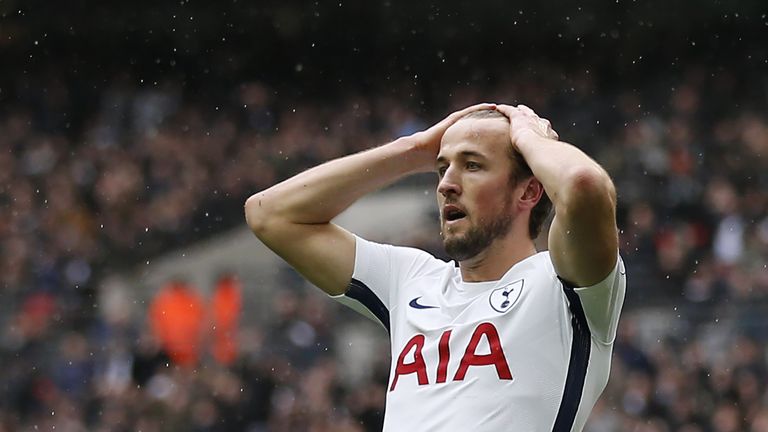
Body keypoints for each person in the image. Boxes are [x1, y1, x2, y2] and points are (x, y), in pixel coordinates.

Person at [244, 103, 626, 431]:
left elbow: (583, 185)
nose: (446, 184)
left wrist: (530, 139)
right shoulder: (409, 279)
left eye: (472, 165)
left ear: (528, 190)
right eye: (441, 168)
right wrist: (412, 150)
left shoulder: (563, 285)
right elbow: (269, 215)